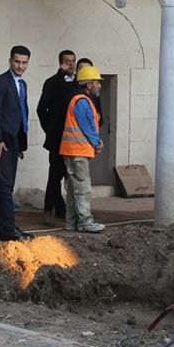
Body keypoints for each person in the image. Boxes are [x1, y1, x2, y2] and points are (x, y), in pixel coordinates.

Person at [0, 45, 32, 241]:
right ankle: (9, 230)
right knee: (6, 185)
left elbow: (21, 113)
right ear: (10, 61)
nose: (20, 66)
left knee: (6, 185)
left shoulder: (22, 84)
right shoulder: (0, 82)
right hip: (0, 141)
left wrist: (20, 142)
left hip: (13, 141)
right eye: (17, 62)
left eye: (24, 62)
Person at [59, 65, 107, 233]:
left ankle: (72, 222)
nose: (99, 85)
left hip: (71, 150)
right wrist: (96, 142)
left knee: (73, 189)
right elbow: (87, 125)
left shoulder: (77, 99)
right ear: (88, 85)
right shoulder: (82, 101)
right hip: (78, 151)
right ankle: (85, 221)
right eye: (97, 82)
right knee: (83, 188)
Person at [37, 49, 77, 226]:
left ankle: (65, 209)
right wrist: (50, 130)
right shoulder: (52, 82)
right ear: (60, 62)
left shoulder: (78, 83)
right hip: (57, 139)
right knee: (55, 175)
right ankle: (48, 209)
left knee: (72, 176)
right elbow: (41, 109)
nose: (71, 64)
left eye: (73, 61)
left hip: (74, 139)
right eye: (67, 61)